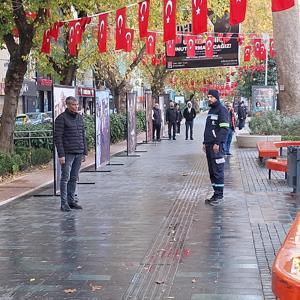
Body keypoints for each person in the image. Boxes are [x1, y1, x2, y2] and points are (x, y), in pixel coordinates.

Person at [54, 96, 88, 212]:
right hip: (67, 153)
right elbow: (57, 138)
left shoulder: (79, 117)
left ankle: (71, 200)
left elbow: (82, 135)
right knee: (65, 178)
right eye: (73, 105)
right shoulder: (61, 119)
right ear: (67, 105)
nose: (76, 107)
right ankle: (64, 203)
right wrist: (61, 155)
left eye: (76, 104)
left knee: (74, 178)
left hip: (78, 152)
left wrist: (85, 151)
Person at [203, 90, 229, 206]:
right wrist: (205, 142)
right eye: (208, 96)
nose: (209, 99)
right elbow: (208, 128)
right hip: (209, 145)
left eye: (211, 97)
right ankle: (215, 193)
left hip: (216, 147)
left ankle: (219, 196)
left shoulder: (221, 110)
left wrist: (217, 143)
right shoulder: (211, 110)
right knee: (212, 171)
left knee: (218, 170)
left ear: (217, 98)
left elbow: (224, 129)